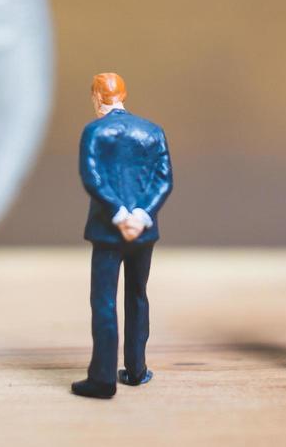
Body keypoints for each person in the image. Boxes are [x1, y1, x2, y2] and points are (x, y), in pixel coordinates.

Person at [71, 72, 173, 399]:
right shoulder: (152, 131)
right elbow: (164, 179)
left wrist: (119, 214)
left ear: (96, 97)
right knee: (138, 297)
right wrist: (141, 216)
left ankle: (102, 378)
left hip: (107, 231)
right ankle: (136, 369)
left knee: (104, 302)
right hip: (142, 232)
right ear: (123, 95)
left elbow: (92, 177)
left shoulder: (94, 132)